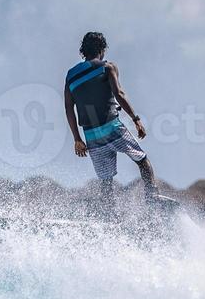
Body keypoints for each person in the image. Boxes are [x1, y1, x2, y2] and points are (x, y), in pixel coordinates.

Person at [64, 31, 159, 198]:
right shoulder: (107, 67)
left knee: (106, 181)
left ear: (83, 51)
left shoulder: (71, 75)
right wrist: (136, 119)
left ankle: (109, 217)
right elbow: (119, 94)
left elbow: (68, 107)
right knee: (142, 161)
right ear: (102, 49)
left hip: (91, 135)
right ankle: (153, 196)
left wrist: (77, 139)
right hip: (112, 127)